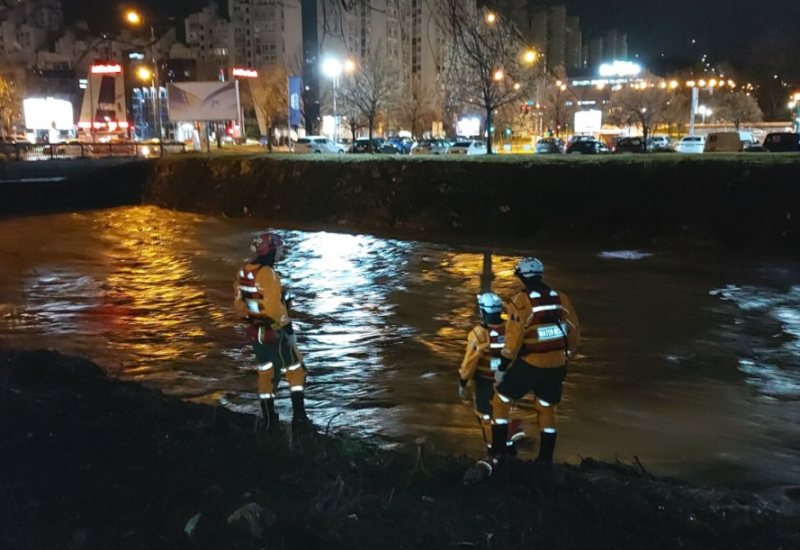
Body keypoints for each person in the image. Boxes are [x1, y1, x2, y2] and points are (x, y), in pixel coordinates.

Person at [472, 257, 580, 479]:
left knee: (500, 400)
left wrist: (502, 366)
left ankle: (499, 453)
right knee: (547, 407)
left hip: (530, 364)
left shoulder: (521, 301)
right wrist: (566, 355)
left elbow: (513, 340)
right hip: (558, 364)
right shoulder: (561, 298)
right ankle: (545, 459)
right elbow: (574, 330)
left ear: (521, 277)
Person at [233, 232, 310, 432]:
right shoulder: (269, 274)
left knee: (266, 373)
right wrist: (289, 330)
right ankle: (300, 418)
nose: (280, 253)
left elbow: (240, 307)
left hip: (255, 332)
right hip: (275, 332)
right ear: (271, 250)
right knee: (296, 370)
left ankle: (268, 419)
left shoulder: (244, 272)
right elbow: (275, 308)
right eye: (279, 249)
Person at [458, 293, 524, 452]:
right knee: (504, 414)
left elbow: (470, 362)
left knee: (486, 417)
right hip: (509, 381)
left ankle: (493, 450)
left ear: (483, 311)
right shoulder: (511, 329)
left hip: (485, 383)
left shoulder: (479, 333)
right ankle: (510, 447)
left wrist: (462, 382)